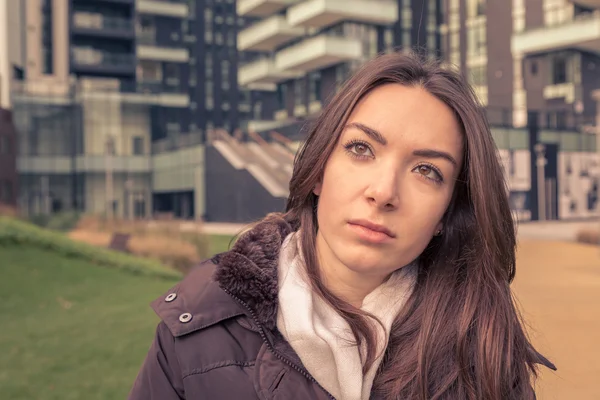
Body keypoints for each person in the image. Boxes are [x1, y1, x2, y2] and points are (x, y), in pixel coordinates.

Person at [128, 52, 555, 400]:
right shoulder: (197, 331)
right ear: (318, 172)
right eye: (360, 148)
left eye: (426, 170)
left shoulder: (484, 349)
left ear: (446, 214)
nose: (384, 191)